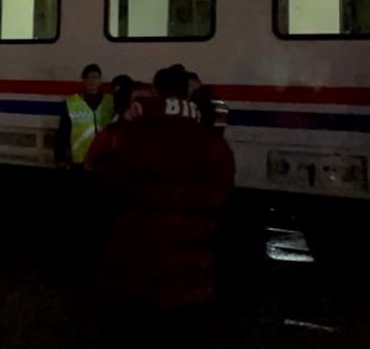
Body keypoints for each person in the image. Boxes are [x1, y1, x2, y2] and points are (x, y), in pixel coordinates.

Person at [88, 65, 235, 346]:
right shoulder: (212, 143)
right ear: (188, 92)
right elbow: (222, 193)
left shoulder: (130, 133)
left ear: (156, 90)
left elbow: (107, 183)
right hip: (192, 277)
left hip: (135, 269)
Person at [55, 63, 114, 168]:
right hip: (80, 158)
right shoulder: (71, 103)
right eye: (88, 77)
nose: (91, 81)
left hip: (104, 157)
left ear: (100, 80)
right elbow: (63, 132)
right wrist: (60, 158)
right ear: (83, 80)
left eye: (95, 77)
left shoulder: (110, 102)